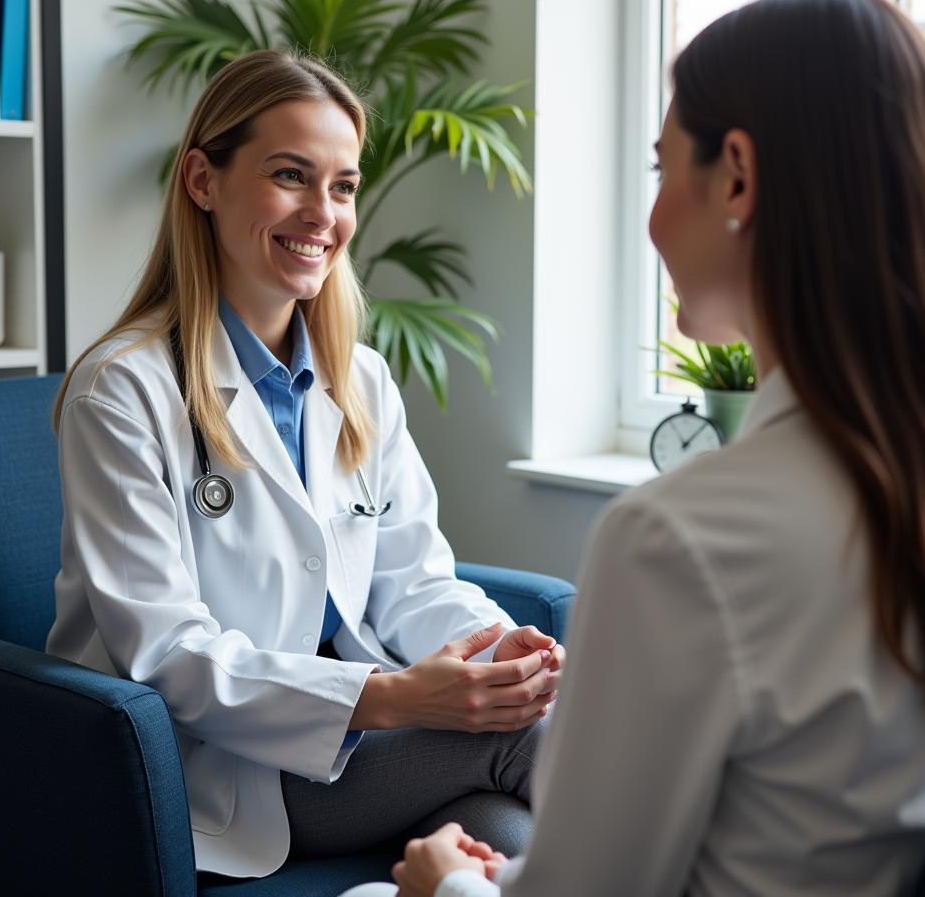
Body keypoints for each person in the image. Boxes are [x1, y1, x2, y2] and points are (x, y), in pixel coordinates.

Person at [346, 0, 925, 897]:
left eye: (661, 171)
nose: (653, 219)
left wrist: (445, 885)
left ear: (736, 176)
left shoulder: (679, 539)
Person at [45, 49, 565, 881]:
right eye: (291, 175)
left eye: (344, 185)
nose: (323, 212)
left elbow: (413, 578)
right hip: (214, 766)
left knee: (503, 833)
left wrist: (495, 652)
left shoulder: (359, 379)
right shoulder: (122, 391)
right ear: (203, 181)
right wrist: (392, 698)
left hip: (352, 742)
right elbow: (170, 655)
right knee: (536, 747)